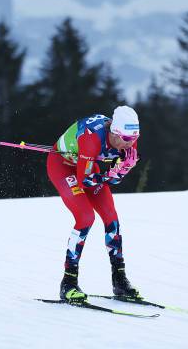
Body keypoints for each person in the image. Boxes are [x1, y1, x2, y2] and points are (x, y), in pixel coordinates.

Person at [46, 105, 141, 303]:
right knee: (86, 217)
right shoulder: (92, 137)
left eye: (134, 138)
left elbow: (112, 181)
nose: (129, 144)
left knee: (111, 218)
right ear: (114, 132)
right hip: (63, 166)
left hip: (89, 169)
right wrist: (112, 173)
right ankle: (68, 283)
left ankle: (119, 280)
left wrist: (122, 171)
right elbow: (85, 181)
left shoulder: (128, 137)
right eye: (125, 139)